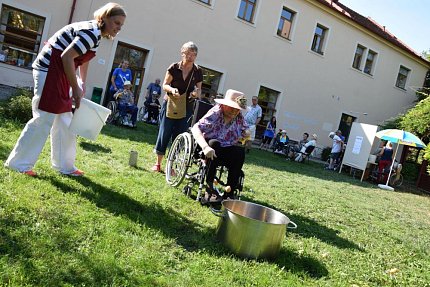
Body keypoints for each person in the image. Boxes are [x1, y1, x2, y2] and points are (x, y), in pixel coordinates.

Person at [4, 3, 126, 177]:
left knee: (66, 120)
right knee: (43, 118)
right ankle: (18, 164)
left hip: (59, 71)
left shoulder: (96, 35)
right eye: (116, 23)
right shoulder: (91, 33)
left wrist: (82, 83)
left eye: (121, 25)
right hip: (49, 70)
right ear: (104, 18)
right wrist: (75, 88)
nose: (118, 28)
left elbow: (83, 59)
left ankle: (65, 166)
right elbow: (67, 56)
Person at [151, 41, 203, 172]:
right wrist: (172, 89)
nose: (190, 57)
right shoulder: (174, 67)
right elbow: (165, 85)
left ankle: (171, 166)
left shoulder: (198, 71)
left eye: (193, 54)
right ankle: (158, 164)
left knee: (180, 136)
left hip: (187, 107)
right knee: (164, 133)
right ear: (182, 53)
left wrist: (195, 93)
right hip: (170, 103)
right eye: (187, 53)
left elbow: (199, 89)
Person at [191, 89, 249, 202]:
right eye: (232, 107)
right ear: (224, 105)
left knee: (239, 152)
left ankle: (230, 192)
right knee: (214, 144)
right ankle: (209, 189)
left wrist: (246, 133)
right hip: (208, 146)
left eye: (237, 109)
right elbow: (195, 128)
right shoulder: (215, 112)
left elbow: (245, 130)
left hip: (225, 148)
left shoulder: (238, 116)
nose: (235, 111)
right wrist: (205, 147)